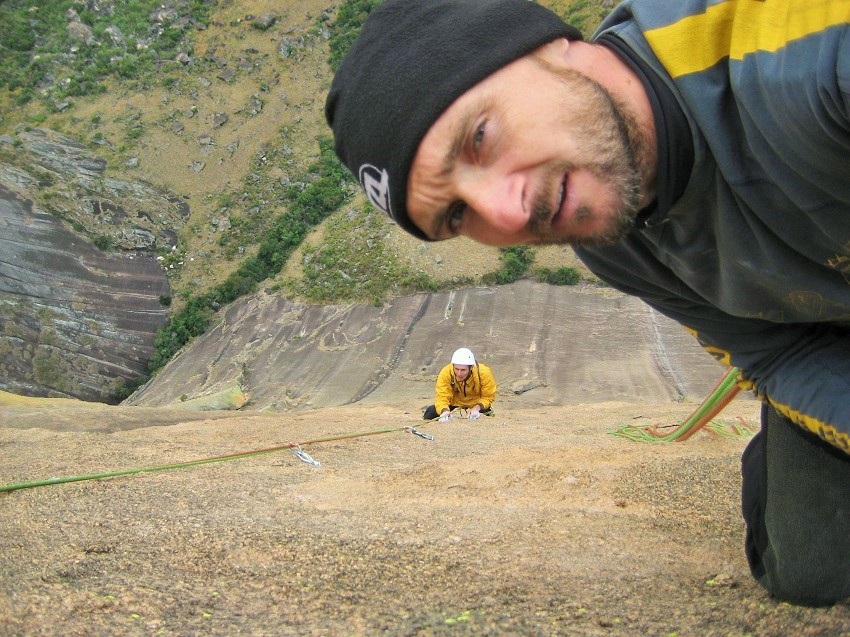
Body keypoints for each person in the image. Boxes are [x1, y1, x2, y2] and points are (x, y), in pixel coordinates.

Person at [325, 0, 850, 607]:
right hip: (826, 338)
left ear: (545, 44)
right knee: (808, 567)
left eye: (479, 137)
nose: (507, 212)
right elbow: (774, 355)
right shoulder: (613, 244)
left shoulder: (798, 55)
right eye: (458, 216)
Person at [423, 347, 498, 421]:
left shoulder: (483, 373)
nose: (459, 374)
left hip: (476, 402)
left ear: (471, 367)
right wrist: (444, 410)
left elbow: (488, 396)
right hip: (454, 401)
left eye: (463, 370)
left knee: (488, 419)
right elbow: (442, 397)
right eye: (456, 369)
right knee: (430, 414)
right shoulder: (446, 372)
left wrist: (477, 408)